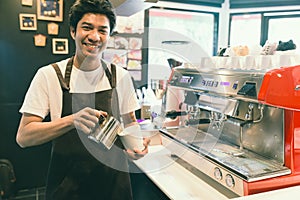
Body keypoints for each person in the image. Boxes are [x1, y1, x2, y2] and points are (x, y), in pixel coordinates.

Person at [16, 0, 149, 199]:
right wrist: (72, 120)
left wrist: (135, 146)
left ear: (109, 36)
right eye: (87, 28)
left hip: (114, 184)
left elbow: (130, 121)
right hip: (68, 186)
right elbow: (24, 137)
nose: (94, 37)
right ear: (73, 31)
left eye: (102, 30)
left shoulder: (120, 76)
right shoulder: (49, 75)